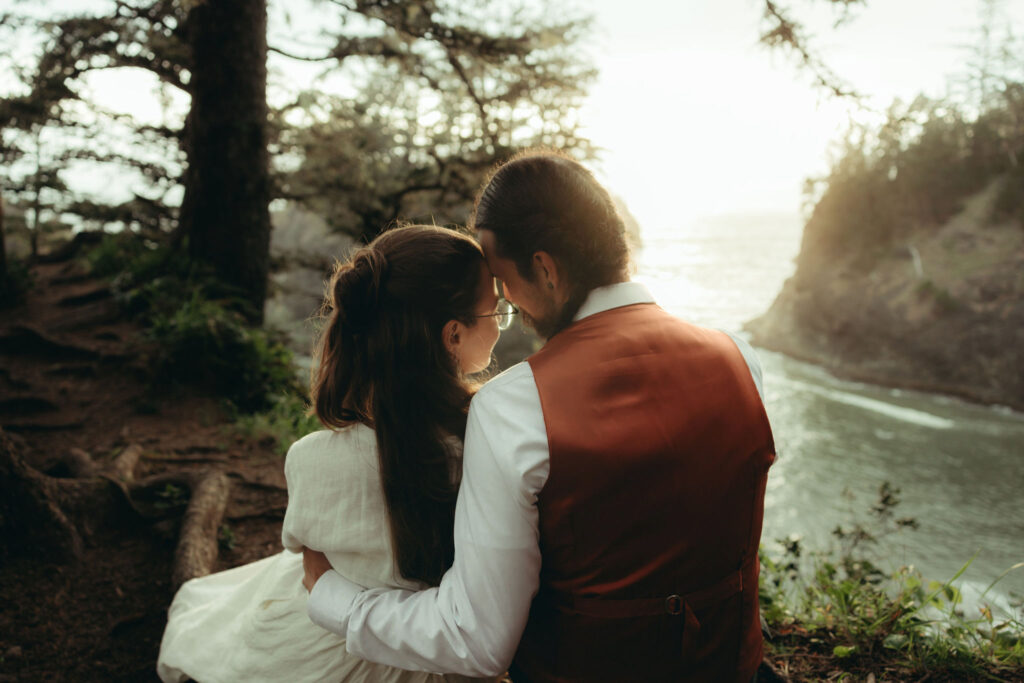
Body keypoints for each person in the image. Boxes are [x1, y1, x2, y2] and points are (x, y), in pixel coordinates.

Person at [303, 150, 777, 683]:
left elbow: (474, 640)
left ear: (546, 269)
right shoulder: (742, 359)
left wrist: (333, 599)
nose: (507, 302)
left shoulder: (514, 407)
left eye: (503, 280)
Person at [156, 224, 507, 683]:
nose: (501, 321)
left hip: (325, 647)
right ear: (453, 335)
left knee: (211, 617)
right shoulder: (488, 440)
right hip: (440, 650)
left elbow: (312, 564)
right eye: (497, 310)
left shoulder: (311, 459)